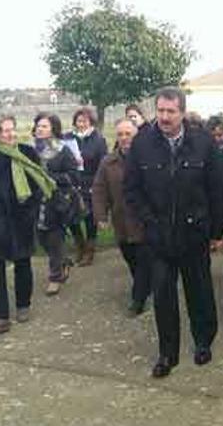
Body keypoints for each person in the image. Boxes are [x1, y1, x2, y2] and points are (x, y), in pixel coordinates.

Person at [125, 86, 223, 378]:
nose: (165, 117)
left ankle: (204, 341)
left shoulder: (203, 143)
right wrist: (147, 220)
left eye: (171, 111)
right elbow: (131, 190)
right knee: (163, 296)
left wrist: (216, 230)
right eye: (161, 111)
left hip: (194, 233)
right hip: (158, 236)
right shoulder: (142, 143)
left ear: (182, 112)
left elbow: (216, 191)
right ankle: (167, 354)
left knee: (200, 291)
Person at [0, 115, 54, 335]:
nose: (11, 134)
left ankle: (23, 305)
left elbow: (38, 184)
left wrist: (29, 210)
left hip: (19, 219)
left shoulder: (25, 152)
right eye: (5, 131)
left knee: (23, 262)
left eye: (12, 129)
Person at [92, 118, 151, 317]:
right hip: (122, 222)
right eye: (121, 134)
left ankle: (138, 299)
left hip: (145, 221)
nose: (125, 138)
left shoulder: (148, 158)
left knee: (144, 260)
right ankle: (144, 287)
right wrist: (101, 216)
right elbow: (99, 190)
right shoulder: (108, 162)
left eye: (129, 134)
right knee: (131, 259)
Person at [32, 112, 82, 296]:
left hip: (57, 202)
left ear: (53, 129)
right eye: (38, 125)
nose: (39, 129)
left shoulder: (63, 150)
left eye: (44, 126)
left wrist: (51, 178)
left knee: (54, 239)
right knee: (41, 239)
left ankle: (55, 277)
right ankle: (64, 260)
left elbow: (74, 176)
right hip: (36, 203)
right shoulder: (30, 150)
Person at [62, 107, 107, 267]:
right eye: (78, 121)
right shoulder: (66, 138)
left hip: (90, 182)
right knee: (72, 218)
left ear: (91, 122)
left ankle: (90, 251)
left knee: (89, 218)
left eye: (84, 121)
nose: (81, 124)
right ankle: (79, 247)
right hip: (72, 183)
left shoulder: (98, 139)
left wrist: (97, 183)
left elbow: (102, 163)